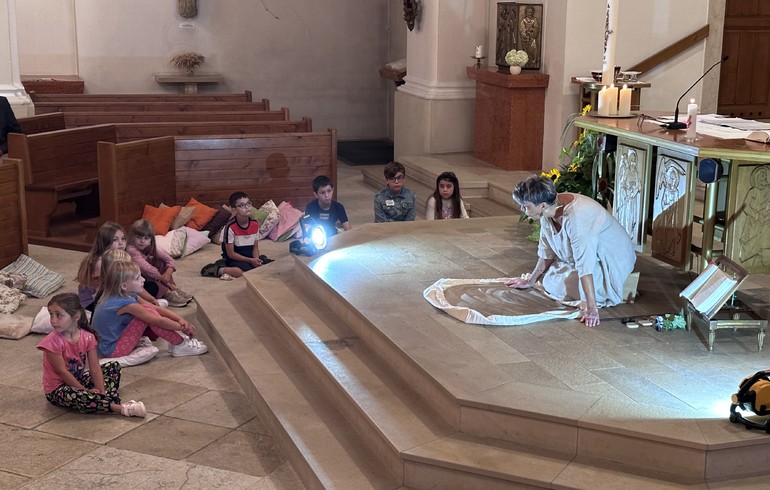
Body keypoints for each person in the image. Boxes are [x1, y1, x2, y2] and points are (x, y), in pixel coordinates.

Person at [505, 175, 636, 327]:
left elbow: (585, 263)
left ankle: (600, 290)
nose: (522, 209)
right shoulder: (548, 211)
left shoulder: (577, 217)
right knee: (550, 282)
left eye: (525, 206)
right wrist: (531, 280)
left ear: (542, 205)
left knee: (570, 285)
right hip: (584, 259)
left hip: (610, 259)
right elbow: (546, 250)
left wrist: (592, 309)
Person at [37, 293, 146, 417]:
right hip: (58, 389)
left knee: (113, 366)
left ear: (76, 316)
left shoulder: (88, 337)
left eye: (59, 315)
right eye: (51, 314)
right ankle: (119, 408)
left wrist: (101, 392)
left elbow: (95, 367)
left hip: (79, 379)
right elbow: (63, 372)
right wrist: (84, 391)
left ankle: (100, 400)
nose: (53, 320)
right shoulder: (51, 343)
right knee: (78, 396)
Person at [93, 261, 208, 359]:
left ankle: (179, 342)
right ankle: (180, 344)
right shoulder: (124, 302)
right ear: (123, 286)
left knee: (148, 309)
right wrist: (182, 328)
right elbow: (157, 320)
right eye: (138, 278)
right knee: (146, 317)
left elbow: (154, 308)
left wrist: (181, 320)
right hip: (110, 351)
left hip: (105, 345)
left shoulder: (126, 294)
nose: (143, 280)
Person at [126, 219, 192, 307]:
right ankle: (167, 293)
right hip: (140, 283)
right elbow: (147, 269)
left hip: (153, 278)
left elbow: (169, 259)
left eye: (146, 238)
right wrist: (163, 279)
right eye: (138, 237)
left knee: (161, 262)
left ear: (151, 239)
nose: (142, 241)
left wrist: (169, 271)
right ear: (132, 237)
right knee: (152, 274)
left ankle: (172, 288)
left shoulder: (149, 248)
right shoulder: (131, 250)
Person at [76, 222, 129, 312]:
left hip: (107, 296)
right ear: (104, 242)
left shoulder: (118, 257)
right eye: (115, 240)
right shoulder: (101, 262)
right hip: (93, 303)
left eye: (123, 239)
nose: (121, 243)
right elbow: (101, 293)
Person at [218, 191, 262, 279]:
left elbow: (255, 248)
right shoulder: (230, 227)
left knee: (267, 267)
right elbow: (231, 254)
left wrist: (256, 259)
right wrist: (251, 260)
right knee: (243, 273)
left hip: (250, 257)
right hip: (234, 258)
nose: (247, 207)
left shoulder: (255, 224)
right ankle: (219, 269)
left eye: (248, 204)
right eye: (242, 205)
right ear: (234, 210)